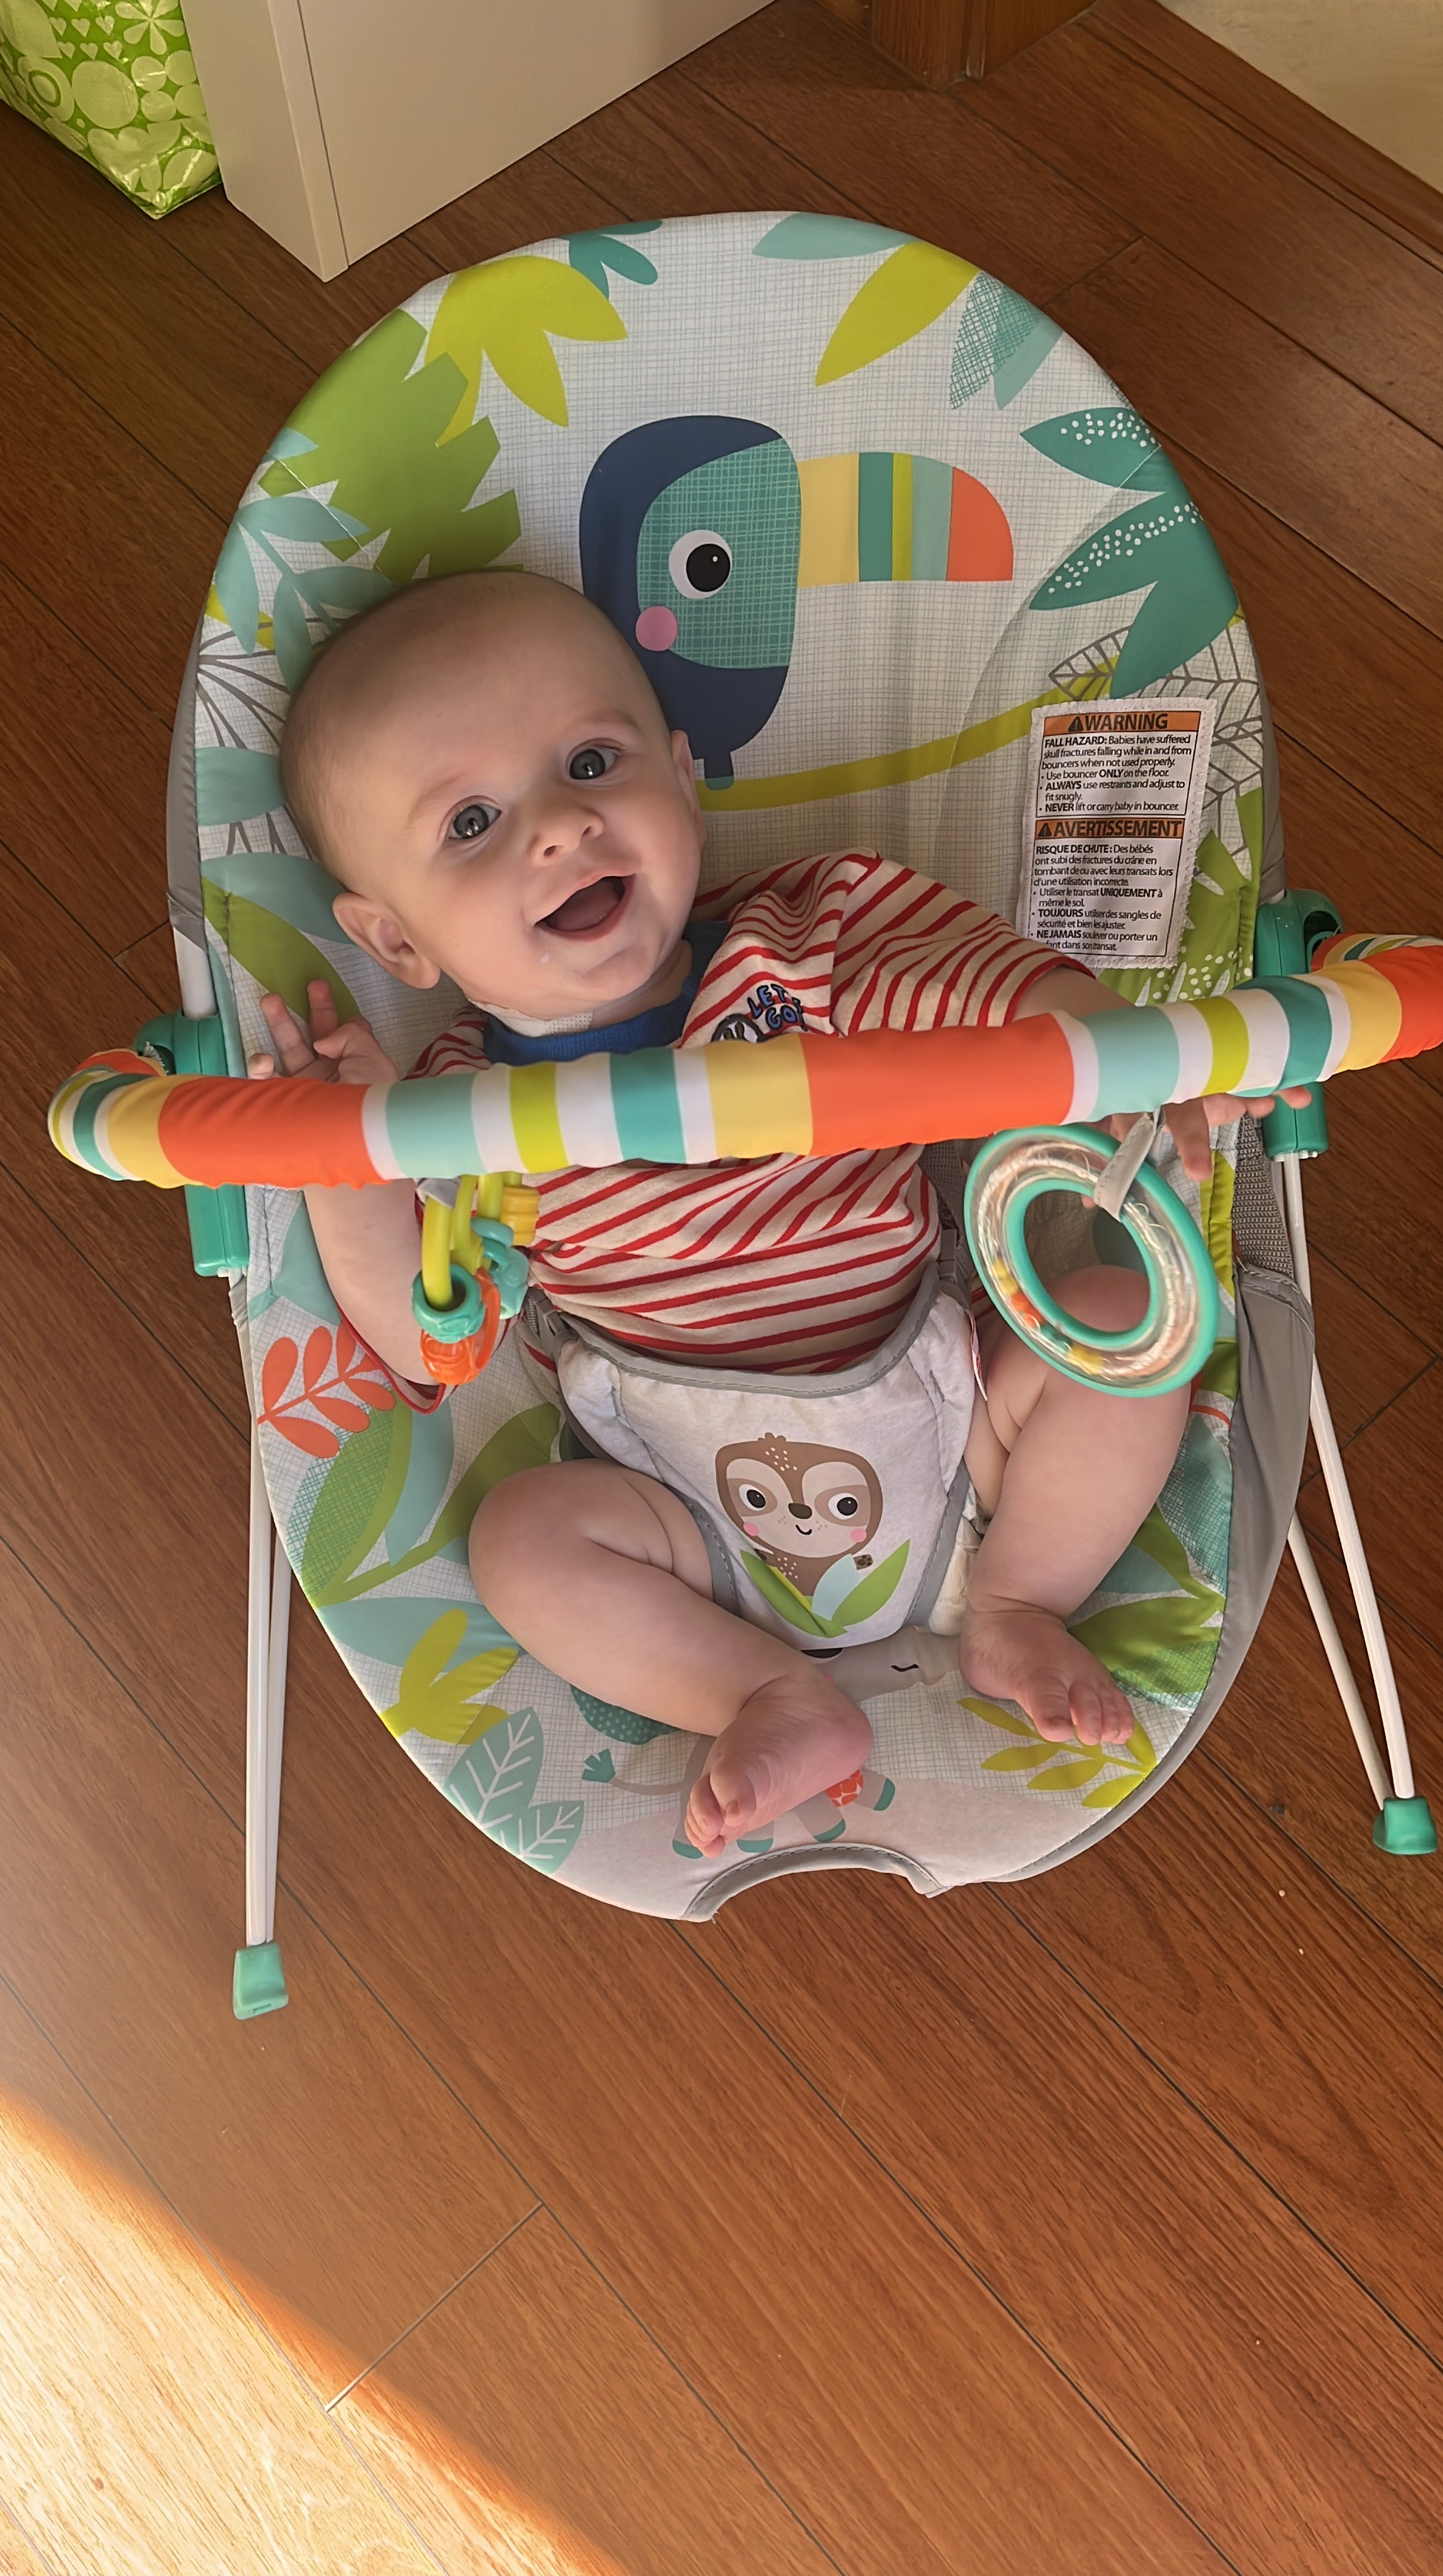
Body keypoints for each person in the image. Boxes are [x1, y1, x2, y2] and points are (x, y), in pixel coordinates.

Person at [255, 570, 1298, 1855]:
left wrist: (1146, 1070)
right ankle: (761, 1692)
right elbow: (424, 1339)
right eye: (472, 822)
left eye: (593, 762)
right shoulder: (458, 1111)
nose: (561, 826)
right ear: (397, 944)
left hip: (957, 1425)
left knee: (1127, 1321)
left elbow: (1007, 1002)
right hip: (683, 1516)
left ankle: (1021, 1602)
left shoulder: (807, 946)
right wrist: (345, 1154)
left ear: (684, 779)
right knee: (523, 1543)